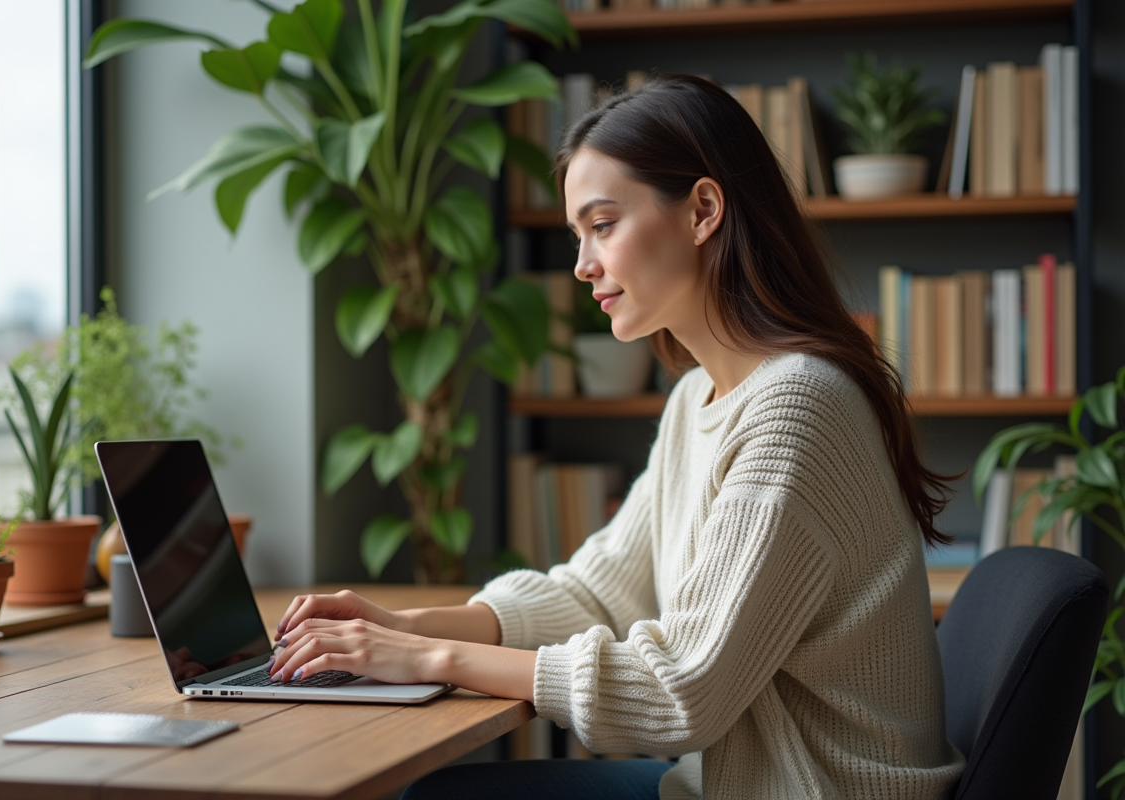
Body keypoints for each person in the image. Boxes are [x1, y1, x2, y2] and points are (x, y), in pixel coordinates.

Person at [268, 74, 966, 799]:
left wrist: (427, 658)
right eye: (578, 235)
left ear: (702, 211)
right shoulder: (699, 395)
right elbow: (603, 594)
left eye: (602, 226)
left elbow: (680, 695)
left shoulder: (798, 408)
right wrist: (402, 625)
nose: (582, 266)